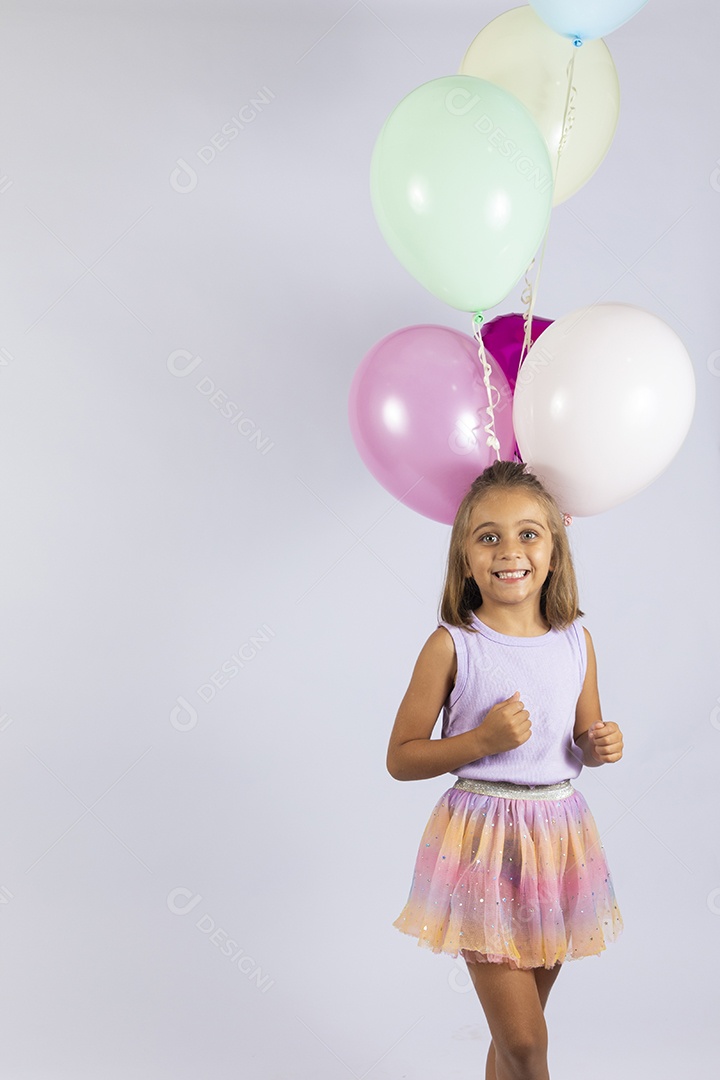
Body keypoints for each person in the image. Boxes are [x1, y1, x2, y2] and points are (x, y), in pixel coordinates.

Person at [386, 460, 624, 1080]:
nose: (509, 550)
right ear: (465, 558)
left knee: (515, 1041)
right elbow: (402, 757)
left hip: (558, 842)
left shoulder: (576, 641)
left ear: (554, 550)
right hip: (482, 845)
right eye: (488, 536)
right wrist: (479, 740)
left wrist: (598, 744)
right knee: (525, 1045)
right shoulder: (454, 644)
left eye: (528, 534)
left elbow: (578, 739)